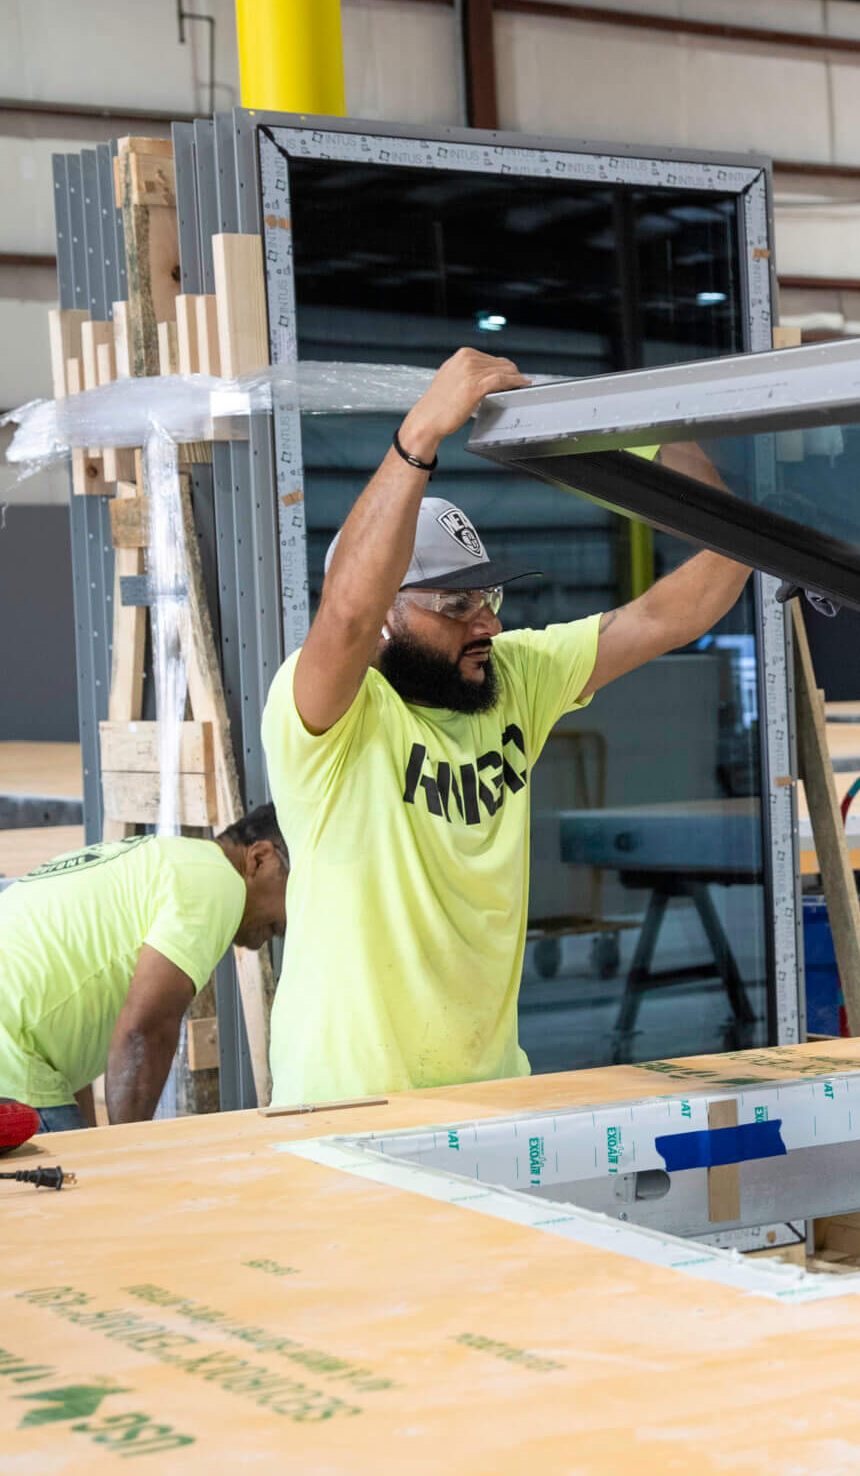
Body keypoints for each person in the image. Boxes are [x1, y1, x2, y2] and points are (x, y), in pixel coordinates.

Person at [262, 348, 753, 1104]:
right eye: (455, 605)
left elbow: (682, 602)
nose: (486, 620)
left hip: (489, 1094)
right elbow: (348, 610)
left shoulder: (514, 679)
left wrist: (651, 433)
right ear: (390, 617)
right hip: (349, 1100)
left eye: (487, 595)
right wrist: (420, 432)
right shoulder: (331, 720)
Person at [0, 809, 290, 1130]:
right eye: (299, 890)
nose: (290, 923)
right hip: (12, 1055)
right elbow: (146, 1029)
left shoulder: (155, 861)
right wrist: (130, 1153)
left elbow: (65, 1035)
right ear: (261, 858)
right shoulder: (215, 879)